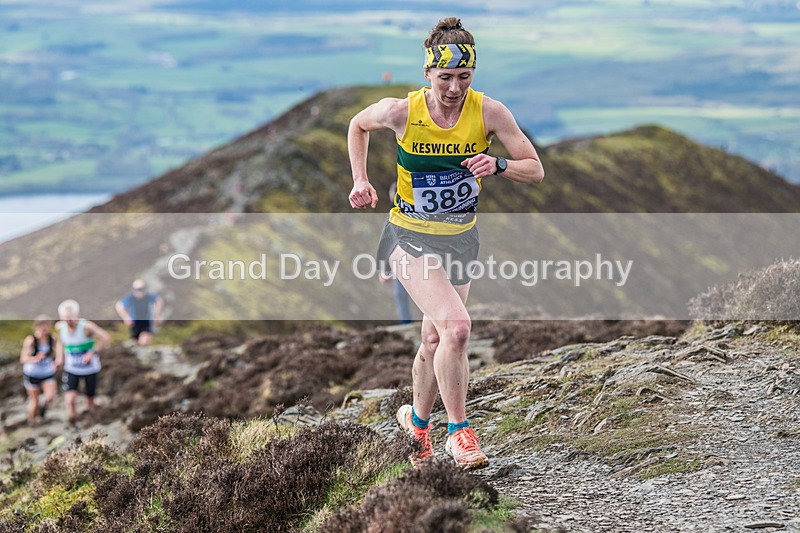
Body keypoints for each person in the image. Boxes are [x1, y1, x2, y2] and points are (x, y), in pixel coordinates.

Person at [347, 17, 544, 469]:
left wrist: (496, 166)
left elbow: (535, 169)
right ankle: (460, 433)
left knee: (436, 339)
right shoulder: (402, 111)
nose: (454, 87)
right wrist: (360, 179)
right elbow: (357, 125)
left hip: (460, 239)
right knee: (457, 327)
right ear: (427, 74)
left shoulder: (489, 112)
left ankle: (415, 427)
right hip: (408, 235)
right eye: (445, 78)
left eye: (463, 77)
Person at [56, 299, 110, 423]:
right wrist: (59, 358)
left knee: (89, 401)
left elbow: (105, 338)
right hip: (71, 369)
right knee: (70, 400)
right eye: (65, 318)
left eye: (71, 318)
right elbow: (60, 342)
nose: (68, 321)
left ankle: (91, 424)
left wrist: (92, 353)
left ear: (77, 315)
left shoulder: (87, 326)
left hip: (90, 369)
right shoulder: (61, 327)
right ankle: (72, 423)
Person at [19, 315, 60, 425]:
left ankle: (42, 406)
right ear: (36, 327)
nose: (44, 328)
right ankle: (31, 421)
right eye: (42, 326)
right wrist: (35, 358)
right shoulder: (31, 340)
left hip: (47, 372)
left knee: (50, 396)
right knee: (34, 401)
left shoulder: (52, 339)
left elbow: (60, 350)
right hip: (32, 373)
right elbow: (23, 358)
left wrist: (58, 361)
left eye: (46, 325)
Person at [115, 279, 163, 346]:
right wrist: (126, 317)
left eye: (141, 289)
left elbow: (158, 300)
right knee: (135, 342)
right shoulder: (131, 298)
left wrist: (156, 315)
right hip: (135, 323)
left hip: (146, 322)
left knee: (145, 339)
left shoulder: (148, 296)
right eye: (137, 289)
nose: (139, 292)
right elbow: (119, 305)